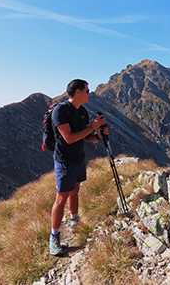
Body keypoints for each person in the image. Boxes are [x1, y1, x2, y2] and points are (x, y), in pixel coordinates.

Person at [49, 79, 108, 256]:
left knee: (75, 190)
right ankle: (54, 236)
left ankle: (74, 220)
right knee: (61, 197)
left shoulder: (81, 111)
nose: (90, 94)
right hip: (65, 161)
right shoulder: (60, 111)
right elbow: (69, 138)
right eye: (87, 91)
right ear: (77, 92)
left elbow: (85, 137)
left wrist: (97, 135)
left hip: (78, 158)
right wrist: (92, 126)